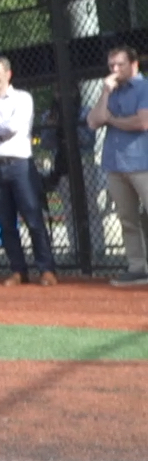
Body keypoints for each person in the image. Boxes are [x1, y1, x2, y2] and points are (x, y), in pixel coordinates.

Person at [0, 56, 58, 286]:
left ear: (8, 74)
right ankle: (18, 270)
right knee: (5, 222)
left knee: (33, 218)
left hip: (20, 166)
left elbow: (14, 127)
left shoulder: (22, 98)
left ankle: (46, 269)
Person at [87, 45, 148, 286]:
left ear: (134, 65)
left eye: (120, 65)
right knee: (127, 218)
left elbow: (142, 122)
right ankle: (137, 266)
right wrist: (104, 93)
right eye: (111, 65)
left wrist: (111, 120)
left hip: (142, 162)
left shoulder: (144, 87)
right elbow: (93, 121)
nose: (114, 69)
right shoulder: (110, 92)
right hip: (115, 164)